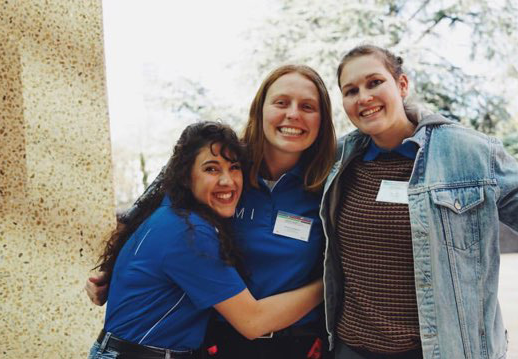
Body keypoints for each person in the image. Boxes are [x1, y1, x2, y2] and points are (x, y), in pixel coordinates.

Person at [320, 44, 518, 359]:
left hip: (441, 351)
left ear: (402, 85)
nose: (363, 96)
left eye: (374, 82)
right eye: (350, 90)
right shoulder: (338, 161)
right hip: (352, 349)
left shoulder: (469, 153)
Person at [87, 66, 337, 359]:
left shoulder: (331, 183)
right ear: (259, 110)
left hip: (295, 345)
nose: (293, 114)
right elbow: (147, 212)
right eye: (281, 102)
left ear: (322, 120)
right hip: (217, 342)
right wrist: (112, 266)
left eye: (307, 106)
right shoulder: (224, 170)